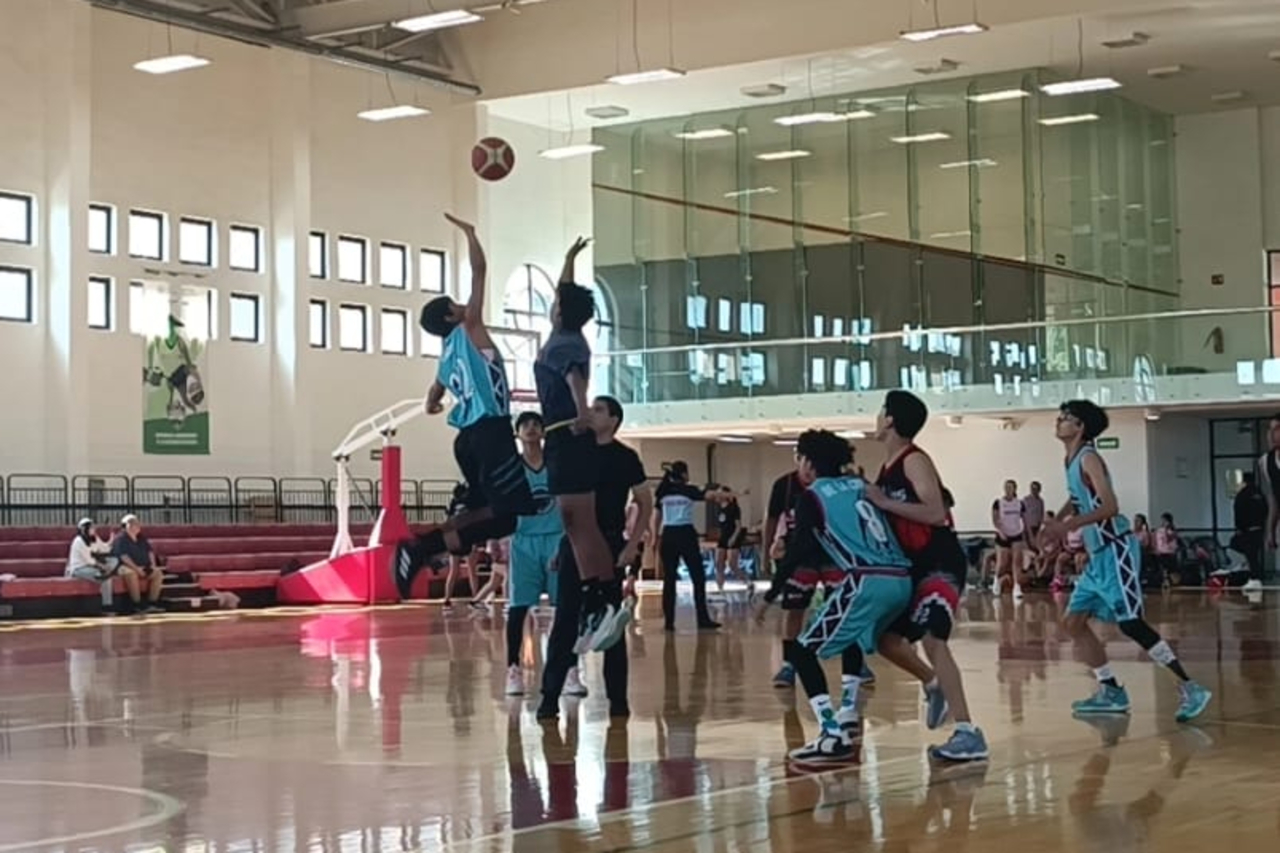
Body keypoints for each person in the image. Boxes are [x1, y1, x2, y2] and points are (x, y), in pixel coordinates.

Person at [1040, 400, 1211, 722]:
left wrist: (1067, 526)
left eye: (1065, 418)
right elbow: (1077, 499)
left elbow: (1110, 507)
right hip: (1097, 557)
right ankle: (1111, 691)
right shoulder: (1071, 459)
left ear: (1080, 427)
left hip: (1116, 549)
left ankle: (1191, 687)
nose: (1058, 421)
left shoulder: (1089, 457)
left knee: (1131, 623)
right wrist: (1056, 522)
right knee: (1072, 623)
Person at [394, 215, 536, 599]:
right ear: (451, 315)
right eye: (456, 305)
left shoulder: (445, 355)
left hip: (467, 440)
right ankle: (422, 547)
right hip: (491, 431)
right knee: (507, 515)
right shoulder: (470, 328)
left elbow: (432, 397)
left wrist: (433, 405)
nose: (463, 305)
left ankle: (431, 545)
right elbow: (480, 270)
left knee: (484, 511)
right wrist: (471, 235)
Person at [767, 430, 913, 763]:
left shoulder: (813, 495)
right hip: (899, 576)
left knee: (801, 651)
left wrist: (771, 591)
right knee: (852, 636)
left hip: (866, 578)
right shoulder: (861, 485)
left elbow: (799, 548)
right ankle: (848, 709)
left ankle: (831, 734)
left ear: (808, 462)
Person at [865, 390, 989, 762]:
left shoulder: (915, 459)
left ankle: (968, 732)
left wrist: (883, 501)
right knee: (886, 639)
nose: (877, 417)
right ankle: (932, 683)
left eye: (881, 411)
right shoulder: (887, 467)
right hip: (914, 563)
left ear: (890, 419)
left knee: (934, 639)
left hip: (940, 559)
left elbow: (935, 513)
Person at [533, 237, 628, 653]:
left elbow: (575, 379)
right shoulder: (565, 332)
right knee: (578, 525)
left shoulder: (565, 344)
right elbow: (564, 293)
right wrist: (569, 258)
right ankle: (601, 601)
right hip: (567, 438)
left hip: (566, 435)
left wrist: (581, 413)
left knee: (579, 524)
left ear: (560, 311)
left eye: (556, 302)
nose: (553, 304)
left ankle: (602, 602)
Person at [537, 395, 653, 722]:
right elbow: (565, 505)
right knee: (565, 620)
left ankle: (618, 700)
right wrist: (561, 546)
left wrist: (632, 545)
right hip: (575, 544)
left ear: (614, 419)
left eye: (599, 409)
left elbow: (645, 502)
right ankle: (549, 698)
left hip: (609, 544)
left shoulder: (625, 458)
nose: (591, 412)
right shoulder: (576, 451)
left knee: (610, 622)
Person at [504, 412, 581, 697]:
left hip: (557, 538)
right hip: (523, 541)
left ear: (544, 431)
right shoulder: (513, 467)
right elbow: (500, 503)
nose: (531, 428)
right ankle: (513, 670)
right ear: (517, 433)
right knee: (518, 608)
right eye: (525, 424)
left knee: (566, 607)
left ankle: (570, 670)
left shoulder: (556, 463)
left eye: (536, 424)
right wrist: (496, 538)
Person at [760, 458, 813, 688]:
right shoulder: (784, 485)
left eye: (814, 463)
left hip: (830, 554)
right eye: (805, 462)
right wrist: (765, 552)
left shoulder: (830, 483)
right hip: (796, 553)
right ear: (798, 460)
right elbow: (771, 520)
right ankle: (789, 665)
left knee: (845, 609)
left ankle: (856, 664)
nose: (809, 469)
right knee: (794, 609)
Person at [655, 461, 724, 632]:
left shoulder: (663, 491)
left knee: (669, 579)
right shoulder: (688, 490)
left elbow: (656, 516)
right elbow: (709, 495)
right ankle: (702, 618)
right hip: (685, 534)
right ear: (684, 474)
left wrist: (655, 536)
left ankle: (669, 622)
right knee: (698, 577)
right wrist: (726, 494)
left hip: (668, 534)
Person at [111, 514, 165, 614]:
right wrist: (137, 569)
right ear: (126, 526)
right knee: (131, 573)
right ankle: (137, 604)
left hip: (142, 565)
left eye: (137, 523)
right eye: (133, 523)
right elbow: (124, 557)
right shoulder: (120, 539)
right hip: (123, 566)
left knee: (157, 573)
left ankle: (151, 603)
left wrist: (152, 565)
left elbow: (150, 552)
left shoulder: (141, 538)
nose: (137, 525)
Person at [66, 519, 117, 609]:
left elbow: (105, 548)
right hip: (79, 568)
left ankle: (108, 573)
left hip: (93, 566)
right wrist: (102, 567)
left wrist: (112, 540)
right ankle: (107, 606)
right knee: (105, 577)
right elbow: (89, 560)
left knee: (114, 561)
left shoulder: (95, 538)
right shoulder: (78, 541)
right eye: (91, 527)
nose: (94, 529)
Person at [713, 487, 752, 597]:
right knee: (718, 563)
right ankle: (720, 588)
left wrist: (733, 538)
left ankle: (748, 582)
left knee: (732, 565)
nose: (718, 496)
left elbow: (738, 526)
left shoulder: (734, 508)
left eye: (720, 493)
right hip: (723, 537)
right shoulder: (719, 508)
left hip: (733, 536)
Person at [1232, 472, 1267, 590]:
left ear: (1244, 481)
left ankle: (1255, 577)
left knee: (1250, 554)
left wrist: (1239, 528)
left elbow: (1238, 512)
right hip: (1259, 529)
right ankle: (1257, 575)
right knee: (1254, 554)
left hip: (1247, 530)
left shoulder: (1243, 494)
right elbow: (1265, 510)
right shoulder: (1259, 494)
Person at [991, 480, 1026, 594]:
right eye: (1006, 487)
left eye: (1010, 487)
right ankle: (996, 580)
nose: (1008, 489)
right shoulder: (998, 503)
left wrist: (1026, 534)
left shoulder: (1019, 503)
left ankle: (1017, 587)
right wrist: (1001, 532)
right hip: (1003, 534)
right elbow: (995, 519)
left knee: (1017, 562)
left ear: (1014, 489)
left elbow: (1024, 519)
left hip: (1016, 533)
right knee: (1003, 562)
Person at [1259, 414, 1280, 588]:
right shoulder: (1266, 462)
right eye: (1269, 429)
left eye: (1277, 429)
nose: (1271, 435)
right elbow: (1273, 498)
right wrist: (1270, 531)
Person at [1153, 513, 1179, 587]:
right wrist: (1156, 548)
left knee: (1170, 567)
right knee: (1162, 567)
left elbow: (1172, 540)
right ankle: (1164, 580)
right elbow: (1156, 540)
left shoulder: (1171, 531)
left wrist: (1168, 531)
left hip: (1169, 552)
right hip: (1161, 551)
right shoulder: (1159, 530)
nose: (1163, 522)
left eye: (1165, 521)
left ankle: (1172, 579)